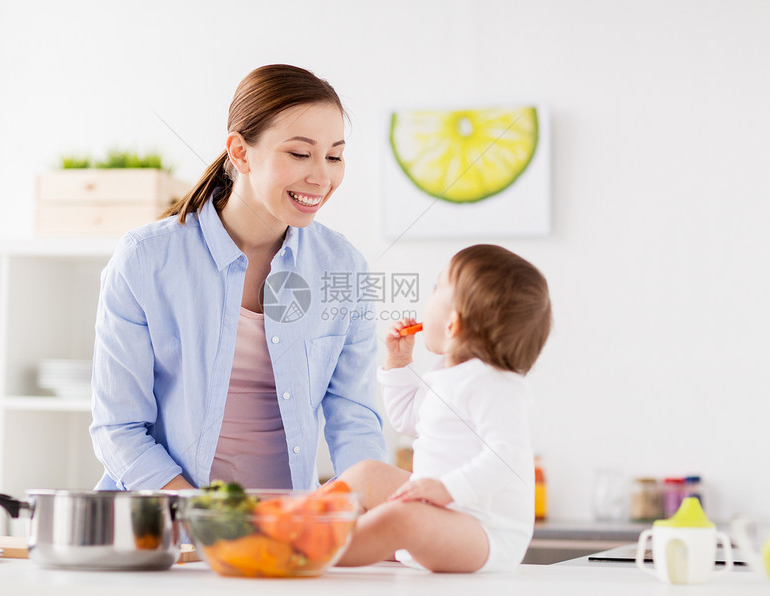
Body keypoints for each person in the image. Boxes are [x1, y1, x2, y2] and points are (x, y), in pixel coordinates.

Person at [89, 64, 388, 492]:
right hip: (166, 526)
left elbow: (355, 421)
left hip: (284, 535)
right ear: (241, 152)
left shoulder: (344, 268)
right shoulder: (145, 259)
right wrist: (205, 518)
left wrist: (347, 506)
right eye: (300, 154)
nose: (322, 176)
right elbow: (118, 429)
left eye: (335, 156)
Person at [336, 244, 552, 573]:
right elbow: (406, 418)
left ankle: (308, 551)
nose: (429, 294)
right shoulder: (445, 375)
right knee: (365, 473)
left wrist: (447, 489)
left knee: (402, 517)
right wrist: (399, 363)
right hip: (439, 514)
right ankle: (291, 523)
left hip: (485, 533)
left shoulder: (497, 384)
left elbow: (506, 456)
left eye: (437, 286)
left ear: (453, 325)